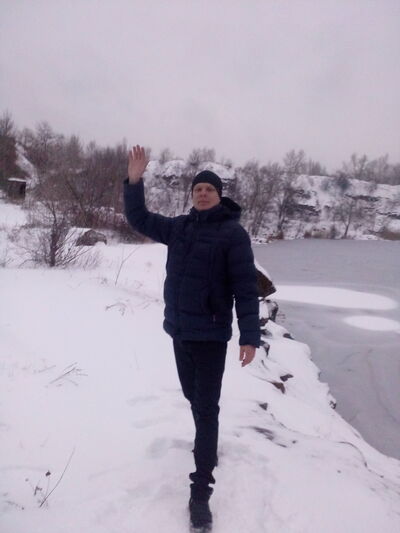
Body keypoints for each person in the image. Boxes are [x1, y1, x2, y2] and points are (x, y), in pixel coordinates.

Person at [124, 145, 260, 531]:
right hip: (180, 332)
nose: (202, 194)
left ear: (219, 196)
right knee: (193, 399)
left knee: (206, 408)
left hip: (211, 337)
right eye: (198, 189)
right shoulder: (180, 228)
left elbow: (245, 288)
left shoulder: (233, 235)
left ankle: (200, 491)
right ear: (192, 195)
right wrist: (134, 180)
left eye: (209, 189)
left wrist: (250, 336)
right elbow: (139, 218)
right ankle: (206, 443)